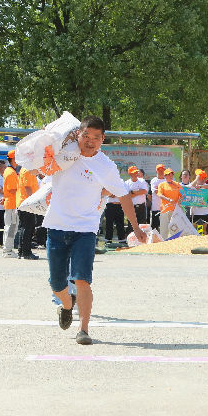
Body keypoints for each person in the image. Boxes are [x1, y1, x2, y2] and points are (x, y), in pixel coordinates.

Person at [43, 115, 145, 345]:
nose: (90, 141)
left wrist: (136, 227)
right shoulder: (64, 154)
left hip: (85, 229)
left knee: (82, 279)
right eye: (86, 135)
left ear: (102, 139)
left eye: (96, 138)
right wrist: (43, 142)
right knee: (56, 283)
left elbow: (123, 196)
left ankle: (84, 329)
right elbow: (37, 165)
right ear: (78, 134)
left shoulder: (105, 166)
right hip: (57, 226)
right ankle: (67, 304)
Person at [16, 165, 40, 260]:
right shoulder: (28, 170)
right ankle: (26, 252)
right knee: (28, 228)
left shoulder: (25, 170)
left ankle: (22, 251)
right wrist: (32, 202)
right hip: (27, 203)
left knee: (25, 228)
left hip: (24, 203)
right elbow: (28, 187)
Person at [0, 152, 20, 257]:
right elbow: (12, 189)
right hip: (12, 204)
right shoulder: (11, 172)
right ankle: (8, 250)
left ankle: (7, 249)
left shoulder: (10, 171)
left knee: (11, 227)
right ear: (13, 159)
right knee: (11, 227)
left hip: (11, 203)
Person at [156, 168, 182, 236]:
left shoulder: (177, 184)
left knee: (175, 229)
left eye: (172, 174)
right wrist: (168, 200)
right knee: (164, 229)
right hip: (165, 210)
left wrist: (180, 200)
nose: (171, 176)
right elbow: (159, 194)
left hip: (175, 210)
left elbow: (182, 194)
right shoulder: (162, 185)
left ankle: (175, 243)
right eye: (168, 175)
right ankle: (164, 244)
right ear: (165, 176)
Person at [124, 166, 149, 234]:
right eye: (133, 173)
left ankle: (142, 240)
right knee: (131, 225)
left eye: (136, 172)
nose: (136, 174)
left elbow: (144, 191)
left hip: (141, 207)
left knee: (142, 224)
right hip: (131, 207)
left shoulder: (142, 181)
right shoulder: (126, 183)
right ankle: (132, 241)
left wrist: (133, 192)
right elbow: (127, 196)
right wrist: (138, 192)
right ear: (130, 174)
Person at [188, 169, 208, 233]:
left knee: (203, 230)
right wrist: (196, 180)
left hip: (205, 212)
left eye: (203, 177)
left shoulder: (205, 185)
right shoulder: (192, 184)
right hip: (195, 212)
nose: (202, 179)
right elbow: (189, 187)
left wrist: (200, 186)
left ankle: (203, 241)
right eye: (201, 177)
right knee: (194, 230)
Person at [149, 164, 167, 230]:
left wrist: (160, 190)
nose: (161, 171)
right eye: (159, 170)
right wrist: (163, 191)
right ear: (156, 171)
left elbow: (167, 192)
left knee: (164, 226)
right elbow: (156, 192)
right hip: (155, 208)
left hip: (164, 208)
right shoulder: (154, 180)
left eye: (162, 170)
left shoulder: (166, 181)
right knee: (154, 227)